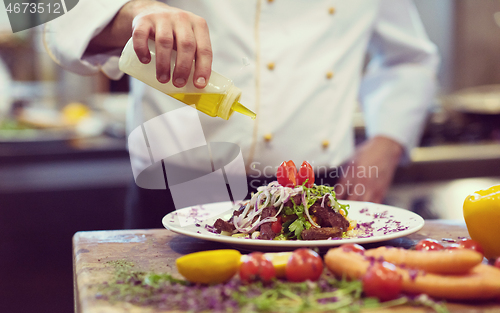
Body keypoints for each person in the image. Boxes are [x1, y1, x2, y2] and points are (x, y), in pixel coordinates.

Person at [44, 0, 439, 228]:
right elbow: (45, 12)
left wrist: (387, 142)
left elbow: (409, 58)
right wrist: (135, 11)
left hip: (316, 197)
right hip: (177, 191)